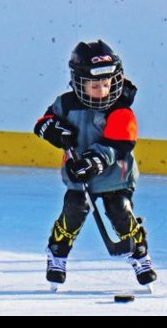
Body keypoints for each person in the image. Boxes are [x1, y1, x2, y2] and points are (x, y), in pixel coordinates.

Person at [34, 39, 157, 289]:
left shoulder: (121, 109)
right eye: (94, 85)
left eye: (106, 83)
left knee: (120, 210)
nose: (102, 90)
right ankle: (57, 252)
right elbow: (42, 123)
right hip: (77, 177)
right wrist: (55, 131)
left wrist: (93, 163)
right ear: (79, 82)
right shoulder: (66, 104)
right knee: (73, 211)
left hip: (115, 176)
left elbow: (118, 145)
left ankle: (140, 254)